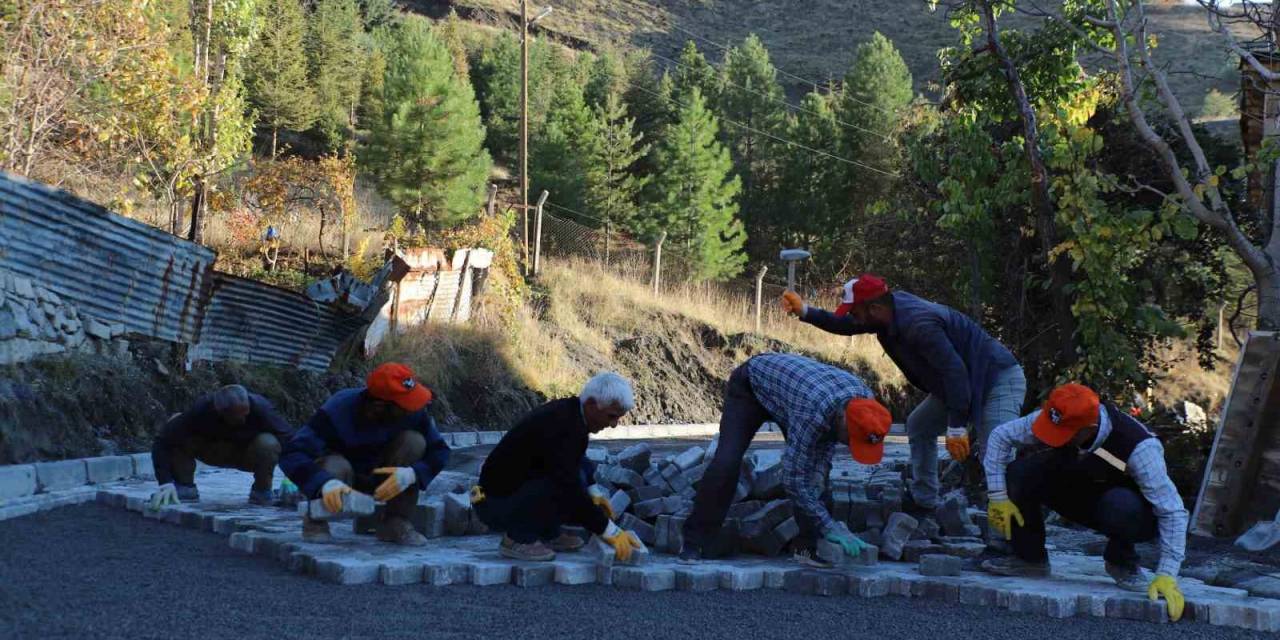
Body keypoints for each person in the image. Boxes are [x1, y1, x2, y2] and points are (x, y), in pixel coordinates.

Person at [782, 274, 1025, 513]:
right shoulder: (886, 314)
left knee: (996, 455)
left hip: (996, 379)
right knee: (919, 425)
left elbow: (955, 372)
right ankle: (924, 500)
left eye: (854, 311)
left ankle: (1009, 539)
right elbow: (847, 325)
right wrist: (805, 311)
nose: (852, 318)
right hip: (960, 383)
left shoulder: (918, 324)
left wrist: (956, 426)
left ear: (874, 308)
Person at [981, 383, 1188, 622]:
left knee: (1121, 505)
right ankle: (1030, 558)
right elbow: (1000, 436)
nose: (1053, 436)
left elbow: (1172, 511)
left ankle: (1122, 561)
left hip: (1126, 511)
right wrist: (998, 497)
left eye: (1064, 433)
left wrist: (1167, 574)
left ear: (1088, 428)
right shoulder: (1061, 414)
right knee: (1019, 473)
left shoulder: (1140, 447)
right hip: (1080, 490)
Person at [679, 353, 892, 566]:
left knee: (817, 476)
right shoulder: (812, 413)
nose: (849, 446)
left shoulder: (866, 406)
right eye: (850, 441)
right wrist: (828, 524)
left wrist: (820, 476)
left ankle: (807, 547)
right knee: (727, 462)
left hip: (792, 395)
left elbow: (825, 448)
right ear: (843, 422)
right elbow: (793, 479)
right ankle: (695, 541)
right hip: (751, 386)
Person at [472, 372, 645, 562]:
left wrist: (593, 489)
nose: (613, 425)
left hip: (511, 492)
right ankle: (517, 539)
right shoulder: (559, 424)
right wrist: (608, 530)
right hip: (495, 503)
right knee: (560, 485)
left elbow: (578, 459)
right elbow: (567, 484)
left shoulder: (572, 416)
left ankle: (547, 532)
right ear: (591, 404)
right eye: (611, 416)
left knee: (571, 479)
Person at [279, 363, 451, 546]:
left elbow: (440, 450)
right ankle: (316, 521)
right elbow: (292, 453)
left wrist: (413, 473)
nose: (412, 409)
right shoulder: (339, 410)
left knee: (414, 441)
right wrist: (323, 483)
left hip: (383, 479)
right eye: (404, 405)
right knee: (335, 466)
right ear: (379, 406)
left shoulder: (413, 414)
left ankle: (395, 522)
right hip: (341, 482)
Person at [148, 384, 295, 508]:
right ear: (221, 412)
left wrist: (293, 477)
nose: (245, 418)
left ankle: (261, 491)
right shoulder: (201, 410)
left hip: (248, 455)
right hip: (213, 451)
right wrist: (165, 482)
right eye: (239, 416)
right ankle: (185, 487)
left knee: (268, 442)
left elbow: (288, 438)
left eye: (247, 413)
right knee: (176, 427)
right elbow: (162, 442)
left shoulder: (261, 407)